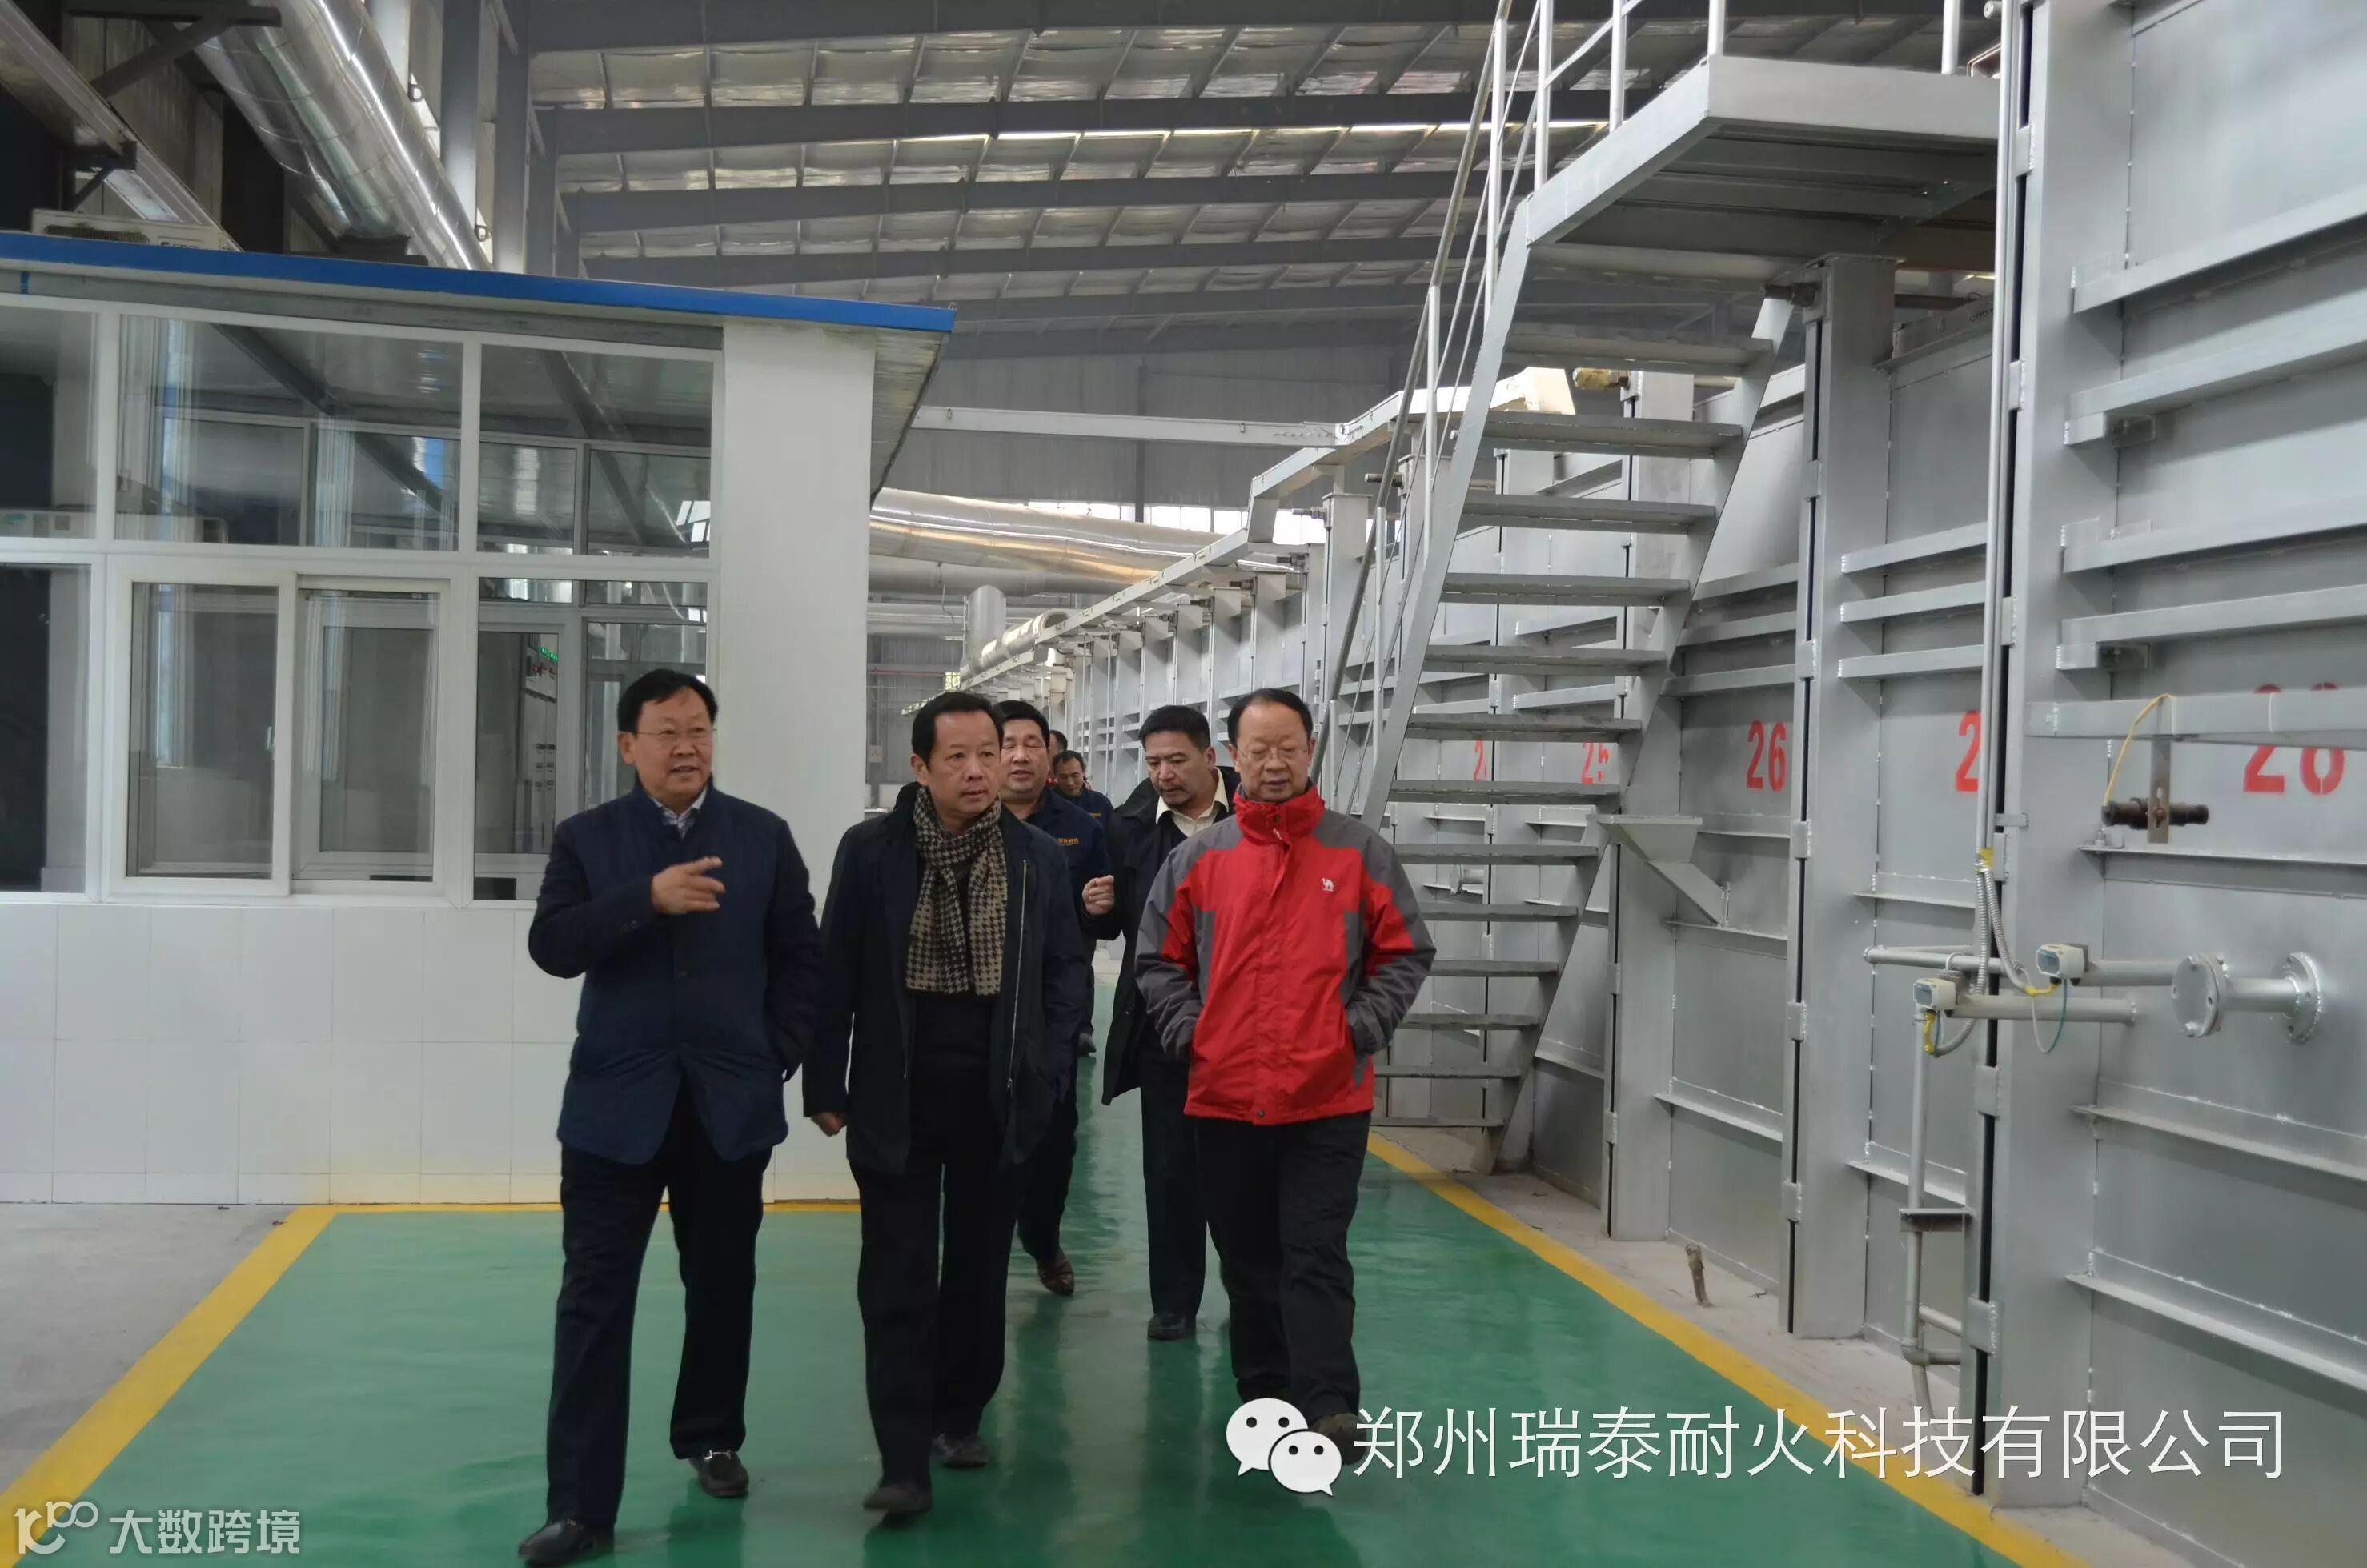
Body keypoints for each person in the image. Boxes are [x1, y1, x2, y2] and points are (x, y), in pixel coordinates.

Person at [518, 669, 824, 1567]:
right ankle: (579, 1507)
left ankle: (711, 1434)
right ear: (628, 745)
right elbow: (551, 946)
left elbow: (801, 957)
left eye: (699, 730)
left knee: (723, 1282)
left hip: (727, 1105)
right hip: (614, 1109)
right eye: (667, 732)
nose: (687, 746)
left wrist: (775, 1052)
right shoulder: (588, 838)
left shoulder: (761, 836)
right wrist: (643, 901)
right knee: (592, 1302)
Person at [806, 691, 1093, 1519]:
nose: (979, 771)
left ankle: (957, 1417)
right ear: (920, 766)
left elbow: (1065, 969)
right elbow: (835, 969)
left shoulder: (1035, 857)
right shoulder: (871, 852)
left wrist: (1049, 1065)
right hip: (895, 1097)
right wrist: (824, 1081)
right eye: (958, 757)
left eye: (988, 753)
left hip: (997, 1100)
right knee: (895, 1279)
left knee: (975, 1272)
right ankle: (901, 1460)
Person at [1134, 687, 1434, 1460]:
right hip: (1224, 1097)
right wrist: (1192, 1033)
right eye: (1259, 749)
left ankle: (1329, 1403)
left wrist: (1355, 1029)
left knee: (1315, 1250)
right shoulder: (1198, 859)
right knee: (1248, 1260)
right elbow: (1158, 960)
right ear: (1233, 757)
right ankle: (1265, 1397)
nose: (1274, 763)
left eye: (1288, 748)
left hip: (1327, 1097)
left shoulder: (1358, 853)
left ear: (1310, 751)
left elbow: (1404, 951)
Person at [1096, 704, 1231, 1341]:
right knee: (1170, 1168)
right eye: (1153, 762)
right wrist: (1095, 908)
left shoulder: (1255, 817)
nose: (1164, 774)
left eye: (1176, 760)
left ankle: (1251, 1293)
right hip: (1163, 1023)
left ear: (1210, 757)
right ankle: (1173, 1303)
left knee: (1243, 1170)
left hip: (1247, 1026)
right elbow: (1116, 922)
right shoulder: (1129, 827)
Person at [993, 699, 1115, 1297]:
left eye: (1032, 744)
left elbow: (1103, 924)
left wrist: (1098, 910)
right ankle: (980, 1258)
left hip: (1052, 1011)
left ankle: (1043, 1239)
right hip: (978, 1009)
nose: (1019, 756)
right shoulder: (957, 821)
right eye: (1006, 744)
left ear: (1051, 755)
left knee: (1053, 1141)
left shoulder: (1082, 827)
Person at [1051, 750, 1115, 827]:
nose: (1070, 783)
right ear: (1055, 775)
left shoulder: (1101, 803)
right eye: (1063, 777)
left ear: (1084, 772)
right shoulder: (1045, 803)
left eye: (1075, 776)